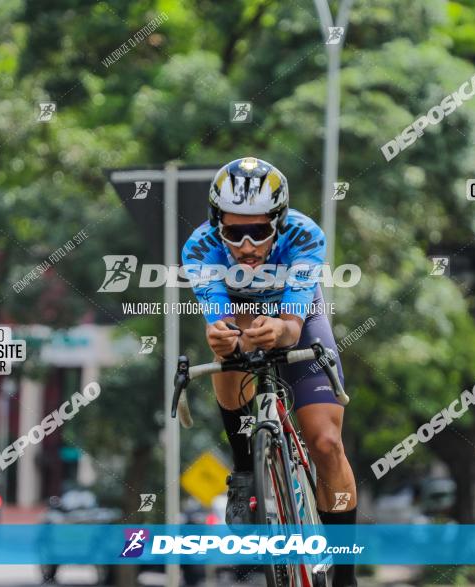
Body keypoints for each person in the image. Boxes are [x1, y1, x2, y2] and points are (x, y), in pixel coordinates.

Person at [181, 156, 357, 586]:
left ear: (278, 223)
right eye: (233, 231)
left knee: (327, 441)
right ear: (215, 222)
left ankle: (346, 575)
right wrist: (223, 337)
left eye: (258, 231)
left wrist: (280, 327)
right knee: (231, 349)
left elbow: (293, 328)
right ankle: (246, 471)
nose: (245, 245)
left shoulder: (305, 235)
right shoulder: (199, 247)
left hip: (295, 313)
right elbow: (219, 322)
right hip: (241, 313)